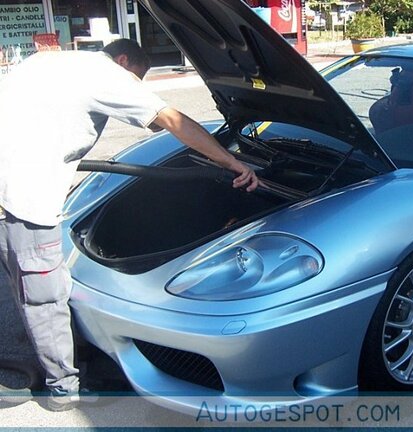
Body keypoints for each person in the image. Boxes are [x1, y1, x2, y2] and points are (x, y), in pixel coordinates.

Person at [0, 39, 259, 412]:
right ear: (125, 61)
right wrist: (231, 162)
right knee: (45, 294)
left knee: (18, 277)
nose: (136, 88)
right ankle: (64, 387)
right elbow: (171, 120)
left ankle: (45, 353)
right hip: (22, 195)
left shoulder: (53, 61)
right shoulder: (107, 76)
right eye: (138, 78)